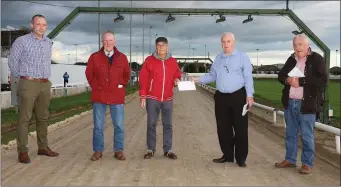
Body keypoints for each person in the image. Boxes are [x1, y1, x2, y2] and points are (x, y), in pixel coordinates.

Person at [192, 32, 254, 167]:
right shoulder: (218, 58)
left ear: (234, 42)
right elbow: (212, 75)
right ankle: (227, 155)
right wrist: (198, 79)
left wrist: (250, 95)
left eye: (228, 42)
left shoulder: (242, 57)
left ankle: (241, 158)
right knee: (223, 128)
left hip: (238, 97)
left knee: (240, 128)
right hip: (221, 97)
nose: (225, 44)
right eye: (223, 42)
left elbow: (248, 77)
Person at [8, 14, 59, 164]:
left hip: (45, 84)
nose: (41, 27)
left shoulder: (48, 42)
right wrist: (23, 77)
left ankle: (43, 147)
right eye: (38, 24)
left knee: (43, 117)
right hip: (28, 83)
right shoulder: (21, 41)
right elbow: (13, 61)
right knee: (25, 118)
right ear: (32, 25)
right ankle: (22, 151)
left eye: (44, 25)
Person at [275, 34, 327, 174]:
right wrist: (288, 81)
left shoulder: (317, 59)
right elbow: (281, 76)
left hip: (307, 104)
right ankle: (290, 159)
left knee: (306, 135)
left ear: (307, 45)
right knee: (291, 133)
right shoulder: (291, 59)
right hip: (290, 102)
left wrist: (302, 81)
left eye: (300, 45)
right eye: (295, 45)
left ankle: (307, 163)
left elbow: (323, 80)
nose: (297, 48)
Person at [85, 31, 130, 161]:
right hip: (100, 96)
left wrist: (121, 84)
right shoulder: (94, 57)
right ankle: (98, 150)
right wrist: (96, 86)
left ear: (114, 42)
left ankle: (118, 150)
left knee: (119, 125)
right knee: (98, 126)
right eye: (105, 41)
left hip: (117, 96)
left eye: (110, 40)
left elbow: (126, 74)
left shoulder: (122, 57)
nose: (108, 43)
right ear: (102, 42)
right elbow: (89, 73)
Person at [139, 37, 181, 159]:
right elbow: (143, 79)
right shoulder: (149, 60)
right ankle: (150, 149)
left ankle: (167, 150)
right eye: (158, 45)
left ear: (167, 47)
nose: (161, 47)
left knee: (168, 125)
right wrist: (143, 95)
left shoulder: (173, 61)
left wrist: (176, 79)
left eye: (163, 45)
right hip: (153, 98)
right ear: (155, 47)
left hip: (168, 98)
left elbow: (177, 74)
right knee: (151, 124)